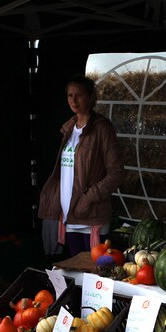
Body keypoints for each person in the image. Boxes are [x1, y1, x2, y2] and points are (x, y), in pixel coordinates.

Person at [38, 75, 124, 259]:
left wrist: (89, 197)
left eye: (79, 95)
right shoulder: (69, 128)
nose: (73, 100)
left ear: (91, 96)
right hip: (70, 216)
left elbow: (116, 173)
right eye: (70, 95)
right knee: (76, 274)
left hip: (91, 216)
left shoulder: (102, 128)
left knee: (94, 275)